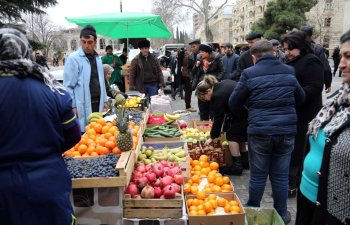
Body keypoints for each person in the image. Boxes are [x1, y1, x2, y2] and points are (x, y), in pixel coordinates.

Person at [0, 26, 81, 225]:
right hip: (48, 186)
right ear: (26, 51)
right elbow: (74, 134)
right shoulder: (52, 89)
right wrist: (48, 151)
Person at [229, 40, 305, 224]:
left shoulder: (249, 73)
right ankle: (281, 214)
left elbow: (234, 102)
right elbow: (301, 98)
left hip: (260, 132)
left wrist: (250, 113)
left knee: (258, 176)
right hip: (286, 132)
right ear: (273, 52)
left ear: (254, 57)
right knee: (280, 176)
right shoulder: (289, 71)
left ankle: (252, 211)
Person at [295, 29, 350, 225]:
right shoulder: (339, 100)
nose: (341, 64)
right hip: (308, 200)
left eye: (348, 56)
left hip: (336, 212)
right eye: (342, 56)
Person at [280, 30, 325, 198]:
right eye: (285, 49)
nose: (287, 53)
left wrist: (291, 96)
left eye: (289, 49)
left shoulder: (311, 61)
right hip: (293, 111)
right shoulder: (293, 61)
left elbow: (314, 87)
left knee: (299, 148)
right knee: (292, 148)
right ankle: (290, 180)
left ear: (300, 47)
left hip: (306, 113)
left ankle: (293, 184)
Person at [196, 75, 248, 175]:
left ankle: (237, 166)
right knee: (238, 133)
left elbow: (218, 119)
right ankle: (245, 161)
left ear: (208, 92)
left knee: (231, 135)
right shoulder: (222, 84)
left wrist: (212, 137)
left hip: (247, 114)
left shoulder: (217, 96)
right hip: (246, 111)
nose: (206, 100)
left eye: (204, 98)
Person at [64, 24, 108, 133]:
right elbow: (68, 86)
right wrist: (73, 106)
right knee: (85, 135)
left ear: (95, 42)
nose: (86, 45)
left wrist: (105, 100)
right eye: (83, 42)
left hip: (98, 103)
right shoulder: (73, 59)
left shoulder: (98, 58)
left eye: (89, 42)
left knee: (97, 134)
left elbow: (101, 81)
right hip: (82, 105)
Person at [192, 43, 224, 120]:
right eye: (200, 52)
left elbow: (222, 71)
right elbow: (193, 72)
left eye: (202, 52)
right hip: (201, 86)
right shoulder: (199, 58)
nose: (200, 53)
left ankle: (212, 126)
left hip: (212, 86)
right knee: (202, 109)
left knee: (212, 109)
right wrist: (196, 66)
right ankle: (203, 125)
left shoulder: (216, 57)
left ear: (207, 52)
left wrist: (216, 80)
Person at [300, 25, 332, 93]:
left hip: (299, 84)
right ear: (311, 35)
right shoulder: (318, 49)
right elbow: (326, 68)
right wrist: (328, 83)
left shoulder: (295, 48)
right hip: (315, 84)